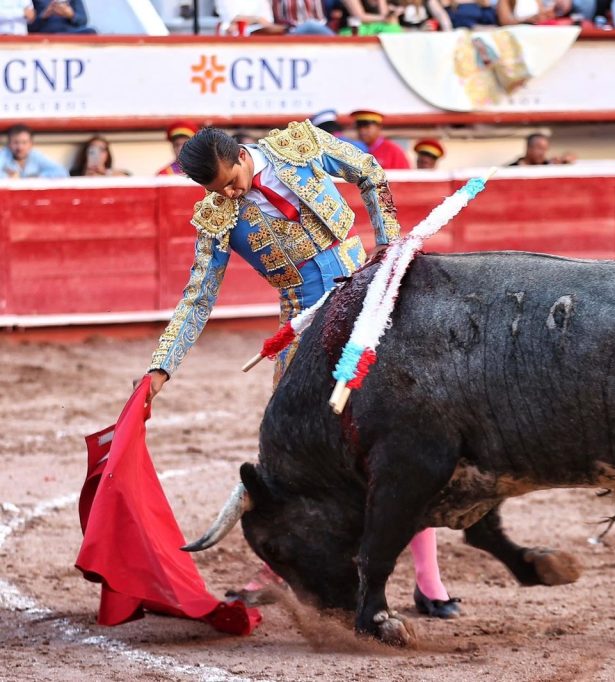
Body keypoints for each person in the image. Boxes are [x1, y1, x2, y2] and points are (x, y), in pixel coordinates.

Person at [140, 121, 459, 617]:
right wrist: (162, 365)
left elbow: (370, 172)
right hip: (303, 327)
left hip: (369, 295)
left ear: (240, 156)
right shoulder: (217, 216)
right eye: (215, 190)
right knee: (293, 454)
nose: (228, 194)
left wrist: (388, 242)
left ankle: (429, 581)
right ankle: (279, 565)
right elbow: (199, 296)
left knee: (406, 432)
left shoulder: (299, 146)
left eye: (230, 181)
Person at [1, 124, 68, 178]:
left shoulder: (35, 155)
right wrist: (7, 176)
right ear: (9, 144)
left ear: (31, 144)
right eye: (16, 142)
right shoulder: (4, 154)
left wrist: (38, 176)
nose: (20, 147)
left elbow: (62, 172)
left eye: (24, 142)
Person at [509, 132, 575, 166]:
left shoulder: (548, 165)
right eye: (539, 148)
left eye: (545, 149)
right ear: (528, 147)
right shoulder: (511, 168)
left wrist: (565, 162)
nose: (542, 153)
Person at [27, 0, 94, 33]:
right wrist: (44, 15)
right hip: (45, 34)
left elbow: (83, 20)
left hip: (69, 32)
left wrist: (71, 14)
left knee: (91, 32)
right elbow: (28, 27)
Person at [270, 0, 336, 33]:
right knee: (310, 25)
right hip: (292, 30)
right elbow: (279, 19)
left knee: (311, 25)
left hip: (316, 29)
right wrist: (291, 28)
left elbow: (321, 18)